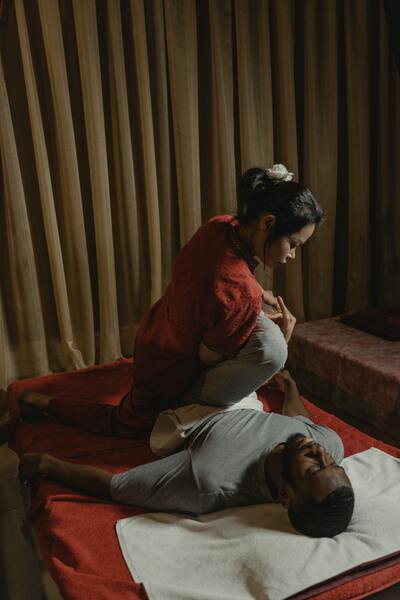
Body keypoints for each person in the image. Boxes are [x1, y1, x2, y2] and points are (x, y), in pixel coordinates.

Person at [3, 163, 324, 443]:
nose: (292, 256)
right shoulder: (242, 293)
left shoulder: (221, 226)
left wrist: (252, 297)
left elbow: (217, 283)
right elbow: (208, 356)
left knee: (262, 342)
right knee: (119, 424)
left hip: (154, 334)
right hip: (169, 373)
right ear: (267, 223)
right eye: (293, 244)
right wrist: (277, 338)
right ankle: (37, 401)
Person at [19, 371, 354, 538]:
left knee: (118, 422)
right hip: (239, 395)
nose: (319, 452)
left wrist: (48, 464)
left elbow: (117, 486)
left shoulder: (210, 481)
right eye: (330, 462)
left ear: (285, 496)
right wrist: (291, 388)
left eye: (314, 468)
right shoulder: (328, 444)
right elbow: (301, 420)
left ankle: (39, 401)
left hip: (191, 409)